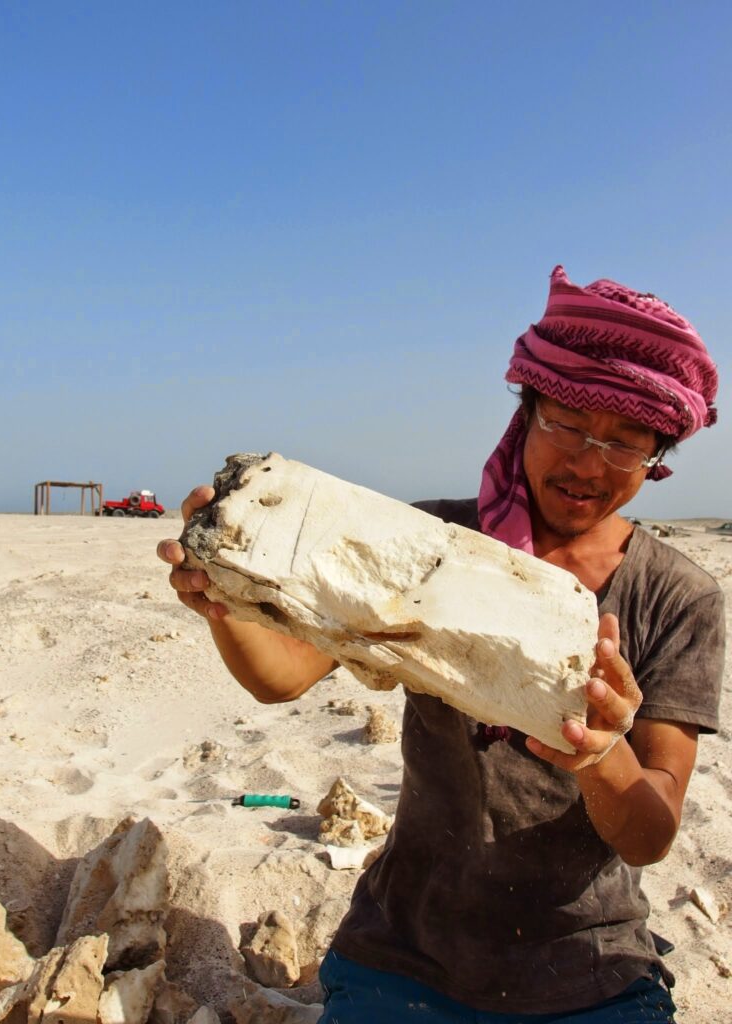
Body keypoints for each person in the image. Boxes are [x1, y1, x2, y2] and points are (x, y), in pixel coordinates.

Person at [158, 266, 724, 1023]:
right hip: (405, 952)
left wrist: (601, 750)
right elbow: (283, 678)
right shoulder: (433, 542)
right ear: (525, 414)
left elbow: (652, 830)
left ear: (658, 459)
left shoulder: (676, 596)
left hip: (587, 967)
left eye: (625, 444)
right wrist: (225, 596)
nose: (590, 463)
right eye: (568, 425)